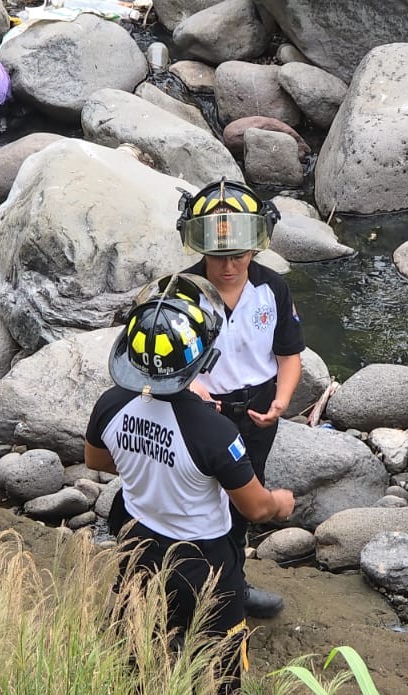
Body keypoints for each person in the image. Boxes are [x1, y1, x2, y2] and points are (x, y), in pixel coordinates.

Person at [84, 273, 297, 695]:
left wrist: (151, 463)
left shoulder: (111, 405)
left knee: (139, 646)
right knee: (221, 664)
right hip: (205, 562)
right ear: (201, 359)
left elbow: (98, 460)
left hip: (137, 544)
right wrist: (282, 503)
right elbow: (256, 508)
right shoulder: (213, 432)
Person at [176, 180, 305, 618]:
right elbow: (161, 363)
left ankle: (233, 584)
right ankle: (188, 584)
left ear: (255, 248)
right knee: (197, 499)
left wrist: (281, 402)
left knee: (243, 499)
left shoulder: (272, 289)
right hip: (200, 411)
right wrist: (190, 387)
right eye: (218, 257)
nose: (228, 266)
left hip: (257, 410)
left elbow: (288, 355)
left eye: (239, 256)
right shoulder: (182, 293)